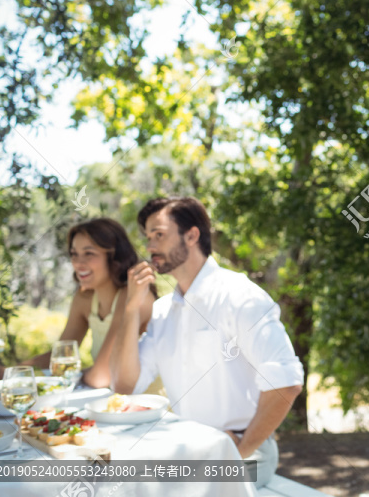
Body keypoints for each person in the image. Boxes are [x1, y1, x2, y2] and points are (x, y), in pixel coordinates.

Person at [110, 197, 304, 489]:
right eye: (148, 238)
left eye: (159, 235)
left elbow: (286, 381)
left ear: (192, 235)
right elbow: (126, 387)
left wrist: (235, 454)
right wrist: (130, 309)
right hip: (187, 449)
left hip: (247, 453)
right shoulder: (163, 312)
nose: (150, 247)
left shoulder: (239, 296)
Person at [23, 218, 158, 389]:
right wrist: (11, 371)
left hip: (146, 405)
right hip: (108, 402)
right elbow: (60, 358)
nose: (78, 263)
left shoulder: (133, 296)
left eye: (89, 253)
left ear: (114, 256)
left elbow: (101, 377)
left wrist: (72, 374)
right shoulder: (85, 299)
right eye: (74, 254)